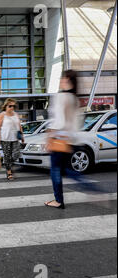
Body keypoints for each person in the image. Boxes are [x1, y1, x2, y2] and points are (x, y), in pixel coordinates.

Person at [44, 70, 102, 209]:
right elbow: (78, 122)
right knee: (69, 171)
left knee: (55, 170)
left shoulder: (62, 96)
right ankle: (94, 190)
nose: (60, 80)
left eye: (62, 78)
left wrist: (50, 136)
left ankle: (59, 200)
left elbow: (59, 121)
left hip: (59, 139)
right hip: (70, 139)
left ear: (68, 80)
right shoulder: (75, 98)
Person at [0, 98, 24, 180]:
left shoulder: (16, 114)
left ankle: (7, 163)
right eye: (10, 106)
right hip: (5, 138)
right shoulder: (2, 115)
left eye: (13, 106)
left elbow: (19, 125)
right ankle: (9, 172)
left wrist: (22, 136)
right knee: (7, 155)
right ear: (6, 106)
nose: (12, 108)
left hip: (15, 138)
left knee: (16, 154)